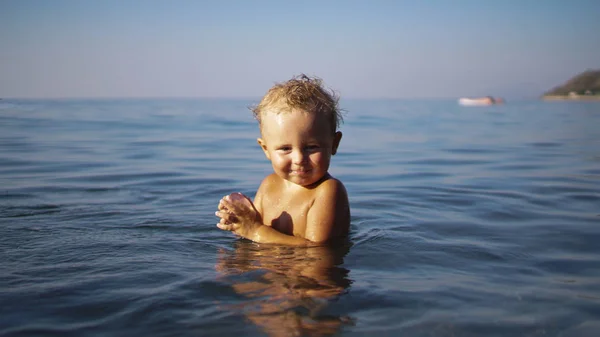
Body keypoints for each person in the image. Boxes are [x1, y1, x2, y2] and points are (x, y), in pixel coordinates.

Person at [215, 74, 350, 246]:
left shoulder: (328, 191)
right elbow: (252, 236)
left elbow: (318, 251)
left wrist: (254, 230)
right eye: (285, 149)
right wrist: (239, 222)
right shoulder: (268, 185)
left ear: (334, 144)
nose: (299, 158)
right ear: (266, 149)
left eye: (312, 147)